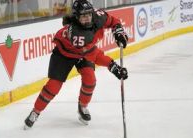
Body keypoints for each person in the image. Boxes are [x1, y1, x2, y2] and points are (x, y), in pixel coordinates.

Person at [24, 0, 128, 129]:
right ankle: (36, 111)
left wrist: (119, 32)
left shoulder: (97, 16)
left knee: (90, 80)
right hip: (64, 54)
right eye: (83, 16)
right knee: (53, 86)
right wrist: (113, 66)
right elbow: (94, 55)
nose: (88, 18)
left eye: (89, 14)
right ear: (76, 17)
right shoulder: (78, 35)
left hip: (84, 53)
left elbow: (114, 21)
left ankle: (82, 106)